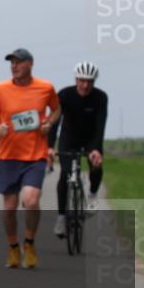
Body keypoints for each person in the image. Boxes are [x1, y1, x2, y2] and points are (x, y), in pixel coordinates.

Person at [0, 48, 60, 269]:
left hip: (35, 155)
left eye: (18, 62)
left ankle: (29, 243)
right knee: (9, 207)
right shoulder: (0, 89)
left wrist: (49, 123)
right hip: (9, 156)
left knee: (31, 200)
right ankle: (12, 247)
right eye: (12, 62)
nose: (14, 66)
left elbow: (57, 110)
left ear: (30, 64)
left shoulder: (45, 87)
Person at [49, 61, 108, 237]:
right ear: (76, 79)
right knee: (65, 174)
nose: (85, 85)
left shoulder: (100, 97)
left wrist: (96, 149)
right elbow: (54, 123)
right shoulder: (64, 95)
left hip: (91, 139)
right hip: (69, 138)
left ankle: (92, 194)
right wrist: (49, 147)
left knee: (96, 164)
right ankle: (61, 217)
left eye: (89, 81)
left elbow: (101, 125)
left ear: (94, 81)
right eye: (82, 80)